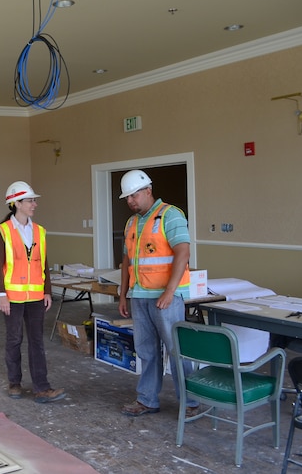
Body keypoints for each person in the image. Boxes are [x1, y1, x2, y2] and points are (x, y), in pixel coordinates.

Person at [117, 169, 200, 418]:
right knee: (146, 351)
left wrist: (170, 291)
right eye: (127, 197)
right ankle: (147, 399)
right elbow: (127, 261)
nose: (131, 201)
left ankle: (191, 403)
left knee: (176, 350)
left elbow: (183, 253)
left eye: (134, 195)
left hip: (166, 298)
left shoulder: (170, 215)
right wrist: (123, 294)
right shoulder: (132, 222)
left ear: (148, 191)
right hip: (140, 295)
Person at [0, 181, 66, 404]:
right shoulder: (2, 231)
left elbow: (43, 264)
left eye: (34, 200)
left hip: (35, 296)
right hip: (12, 297)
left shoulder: (40, 231)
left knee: (37, 341)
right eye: (30, 200)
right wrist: (1, 295)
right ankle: (14, 383)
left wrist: (47, 292)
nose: (34, 204)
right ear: (16, 203)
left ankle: (41, 388)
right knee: (14, 339)